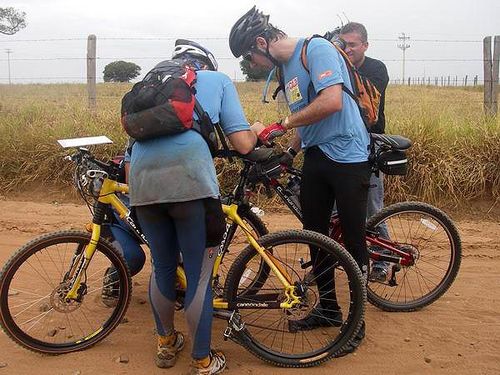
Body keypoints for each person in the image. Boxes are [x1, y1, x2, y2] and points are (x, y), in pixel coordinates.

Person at [229, 6, 370, 353]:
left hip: (349, 155)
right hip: (318, 156)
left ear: (262, 42)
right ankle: (329, 309)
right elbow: (303, 116)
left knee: (352, 240)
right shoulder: (283, 70)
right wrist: (291, 152)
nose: (251, 63)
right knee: (315, 236)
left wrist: (280, 126)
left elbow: (331, 101)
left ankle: (357, 322)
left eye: (249, 55)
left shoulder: (316, 50)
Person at [126, 39, 261, 374]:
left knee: (162, 267)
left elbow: (130, 156)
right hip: (190, 181)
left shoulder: (151, 84)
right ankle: (202, 359)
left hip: (143, 182)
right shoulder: (217, 81)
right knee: (200, 275)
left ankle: (166, 343)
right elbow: (242, 143)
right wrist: (256, 131)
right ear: (205, 65)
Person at [338, 22, 391, 282]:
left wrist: (338, 63)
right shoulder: (338, 67)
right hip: (343, 146)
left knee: (372, 208)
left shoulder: (376, 69)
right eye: (342, 44)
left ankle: (381, 261)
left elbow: (367, 102)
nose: (347, 49)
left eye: (352, 44)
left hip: (370, 143)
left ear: (365, 46)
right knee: (337, 209)